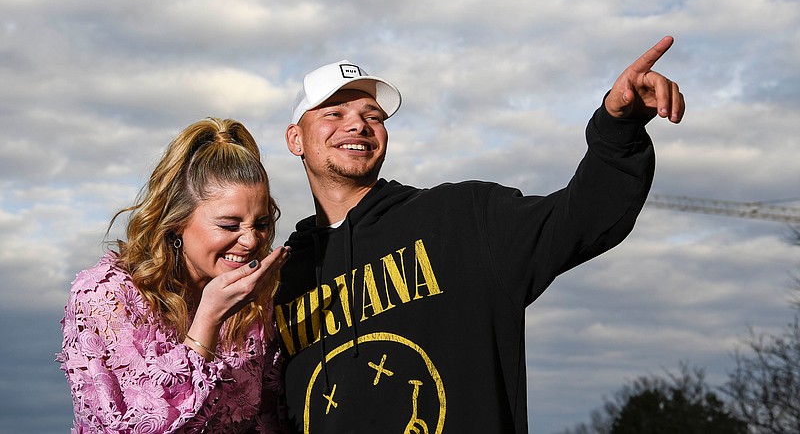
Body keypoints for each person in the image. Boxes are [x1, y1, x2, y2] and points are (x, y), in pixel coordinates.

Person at [274, 36, 685, 433]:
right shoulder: (275, 282)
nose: (359, 126)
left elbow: (584, 217)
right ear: (296, 139)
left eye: (373, 116)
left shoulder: (464, 219)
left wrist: (619, 127)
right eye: (333, 113)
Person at [58, 117, 293, 433]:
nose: (251, 241)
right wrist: (208, 320)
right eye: (229, 225)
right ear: (177, 221)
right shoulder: (106, 297)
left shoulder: (255, 304)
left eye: (261, 225)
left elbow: (271, 418)